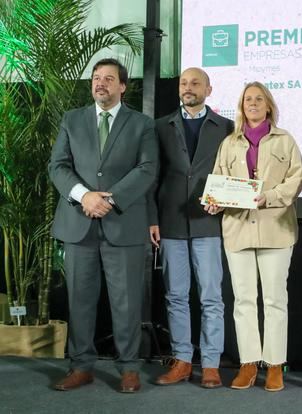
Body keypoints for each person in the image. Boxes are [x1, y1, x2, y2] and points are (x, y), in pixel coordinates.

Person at [49, 58, 158, 393]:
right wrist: (84, 196)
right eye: (97, 78)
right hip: (78, 224)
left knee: (126, 301)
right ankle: (81, 366)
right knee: (80, 300)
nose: (101, 83)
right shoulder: (72, 120)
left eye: (109, 79)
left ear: (122, 86)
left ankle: (129, 369)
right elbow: (58, 166)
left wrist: (109, 200)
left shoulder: (142, 124)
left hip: (122, 223)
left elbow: (147, 168)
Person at [206, 82, 302, 392]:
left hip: (275, 229)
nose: (253, 103)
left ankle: (274, 364)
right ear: (241, 105)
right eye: (248, 99)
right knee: (244, 300)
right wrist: (214, 201)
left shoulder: (285, 140)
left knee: (275, 300)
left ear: (268, 105)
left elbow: (297, 178)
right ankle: (249, 363)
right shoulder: (230, 143)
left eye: (258, 99)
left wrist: (270, 196)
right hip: (237, 229)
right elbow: (219, 182)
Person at [148, 68, 233, 388]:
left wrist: (224, 201)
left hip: (208, 223)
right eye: (184, 83)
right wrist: (152, 218)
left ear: (209, 90)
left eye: (195, 83)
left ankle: (210, 363)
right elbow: (152, 176)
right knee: (175, 295)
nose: (188, 88)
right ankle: (182, 360)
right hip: (170, 223)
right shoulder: (160, 127)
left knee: (211, 297)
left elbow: (232, 175)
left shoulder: (226, 128)